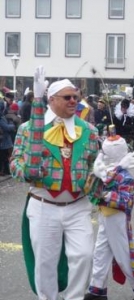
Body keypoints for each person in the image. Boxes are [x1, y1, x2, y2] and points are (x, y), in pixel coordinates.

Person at [9, 66, 99, 300]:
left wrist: (105, 173)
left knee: (84, 255)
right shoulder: (28, 129)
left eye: (76, 97)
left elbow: (93, 164)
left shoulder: (88, 130)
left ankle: (75, 297)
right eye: (67, 97)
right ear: (51, 99)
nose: (73, 101)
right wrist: (25, 171)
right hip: (43, 205)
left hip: (78, 205)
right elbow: (15, 162)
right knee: (45, 263)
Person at [84, 135, 134, 300]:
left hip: (117, 219)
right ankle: (97, 289)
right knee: (100, 253)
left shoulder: (125, 177)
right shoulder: (105, 171)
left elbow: (126, 201)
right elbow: (92, 187)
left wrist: (105, 194)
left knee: (123, 256)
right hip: (105, 216)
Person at [0, 99, 15, 176]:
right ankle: (4, 170)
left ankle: (5, 170)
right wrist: (12, 125)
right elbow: (6, 127)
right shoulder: (1, 117)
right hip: (4, 140)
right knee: (4, 156)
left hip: (3, 139)